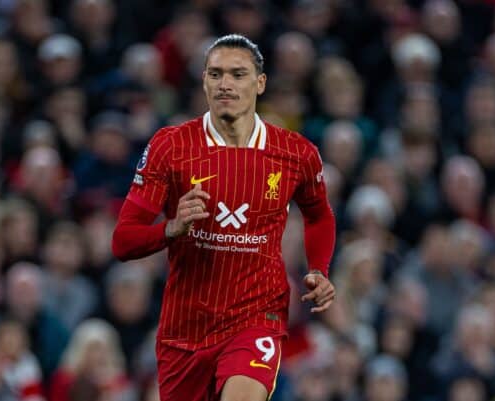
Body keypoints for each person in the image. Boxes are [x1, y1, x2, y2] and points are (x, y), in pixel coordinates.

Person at [111, 34, 336, 401]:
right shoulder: (171, 147)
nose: (225, 84)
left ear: (260, 83)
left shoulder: (295, 153)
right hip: (186, 329)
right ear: (203, 81)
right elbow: (122, 241)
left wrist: (319, 268)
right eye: (215, 74)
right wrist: (171, 229)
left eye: (237, 74)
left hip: (257, 316)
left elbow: (319, 215)